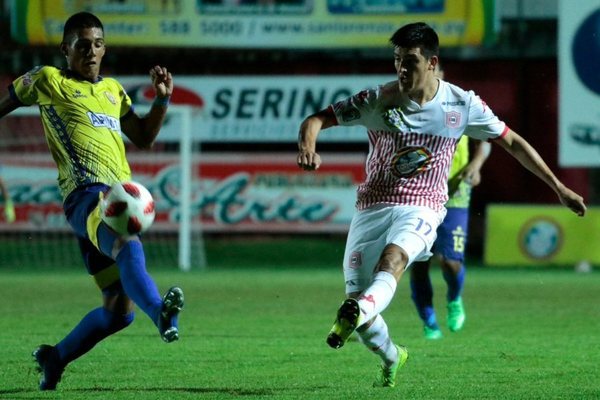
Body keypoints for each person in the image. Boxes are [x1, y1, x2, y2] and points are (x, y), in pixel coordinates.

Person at [296, 22, 586, 388]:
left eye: (411, 61)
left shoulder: (461, 104)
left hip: (423, 207)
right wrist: (308, 145)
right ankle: (391, 354)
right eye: (398, 60)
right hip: (371, 207)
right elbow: (318, 119)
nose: (402, 69)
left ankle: (362, 308)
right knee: (361, 309)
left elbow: (512, 142)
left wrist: (558, 187)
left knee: (394, 259)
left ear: (432, 63)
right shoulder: (377, 100)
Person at [0, 12, 184, 390]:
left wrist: (162, 102)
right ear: (65, 49)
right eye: (82, 45)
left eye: (98, 44)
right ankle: (162, 315)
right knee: (127, 243)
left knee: (118, 312)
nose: (92, 51)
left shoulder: (113, 90)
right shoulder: (49, 80)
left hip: (112, 197)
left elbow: (144, 138)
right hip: (86, 196)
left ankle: (55, 357)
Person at [409, 62, 491, 340]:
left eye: (437, 73)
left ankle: (454, 298)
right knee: (419, 262)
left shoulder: (458, 104)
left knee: (449, 262)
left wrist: (476, 165)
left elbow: (487, 140)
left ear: (440, 75)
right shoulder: (410, 108)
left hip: (455, 195)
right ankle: (429, 320)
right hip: (419, 196)